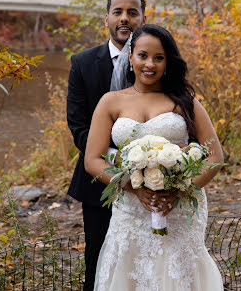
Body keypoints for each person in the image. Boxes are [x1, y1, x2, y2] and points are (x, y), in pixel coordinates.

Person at [84, 24, 224, 290]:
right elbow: (93, 160)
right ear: (130, 56)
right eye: (143, 55)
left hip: (178, 207)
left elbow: (215, 155)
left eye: (159, 58)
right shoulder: (110, 102)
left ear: (168, 61)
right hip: (130, 208)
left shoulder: (185, 102)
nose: (150, 64)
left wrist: (181, 189)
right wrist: (131, 186)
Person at [66, 0, 148, 290]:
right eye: (118, 12)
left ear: (143, 18)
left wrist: (148, 164)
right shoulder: (83, 63)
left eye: (132, 12)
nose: (124, 19)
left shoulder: (155, 64)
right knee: (99, 257)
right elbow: (78, 128)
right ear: (107, 19)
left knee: (144, 258)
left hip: (152, 178)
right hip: (96, 179)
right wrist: (120, 163)